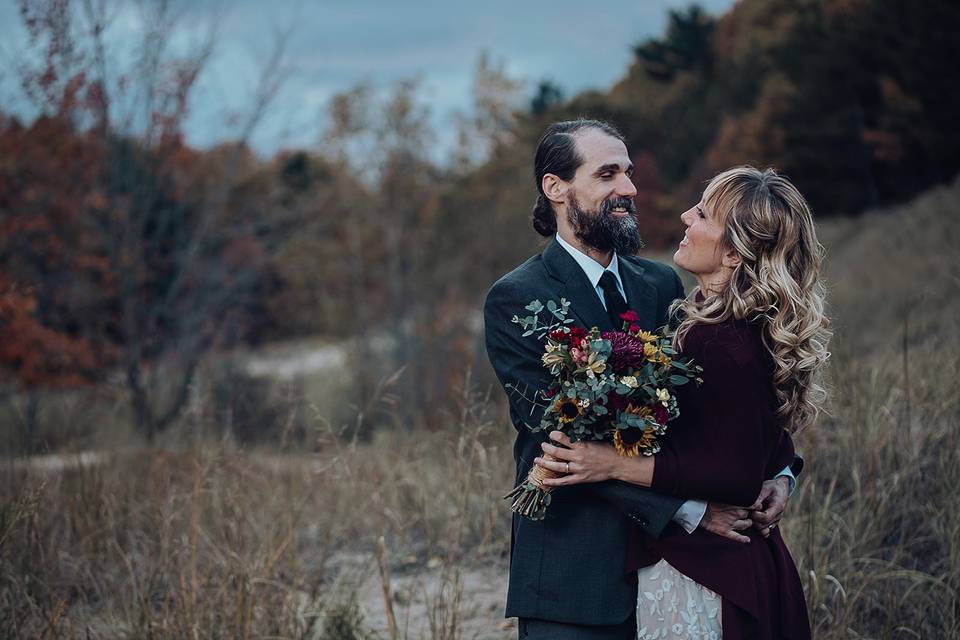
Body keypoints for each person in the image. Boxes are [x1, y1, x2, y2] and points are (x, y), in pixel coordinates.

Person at [483, 120, 800, 640]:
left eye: (628, 174)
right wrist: (691, 511)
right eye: (607, 174)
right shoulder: (516, 298)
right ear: (555, 187)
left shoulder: (660, 283)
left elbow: (719, 395)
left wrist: (781, 471)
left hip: (674, 575)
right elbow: (560, 442)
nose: (628, 189)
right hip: (574, 579)